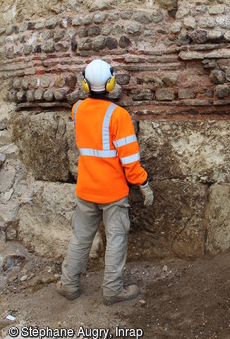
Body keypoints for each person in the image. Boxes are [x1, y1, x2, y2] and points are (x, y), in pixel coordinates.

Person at [56, 59, 154, 305]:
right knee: (116, 238)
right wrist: (143, 184)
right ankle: (112, 291)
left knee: (80, 237)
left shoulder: (77, 109)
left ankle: (69, 284)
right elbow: (130, 160)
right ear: (111, 83)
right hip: (112, 192)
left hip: (86, 189)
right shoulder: (118, 116)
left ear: (85, 85)